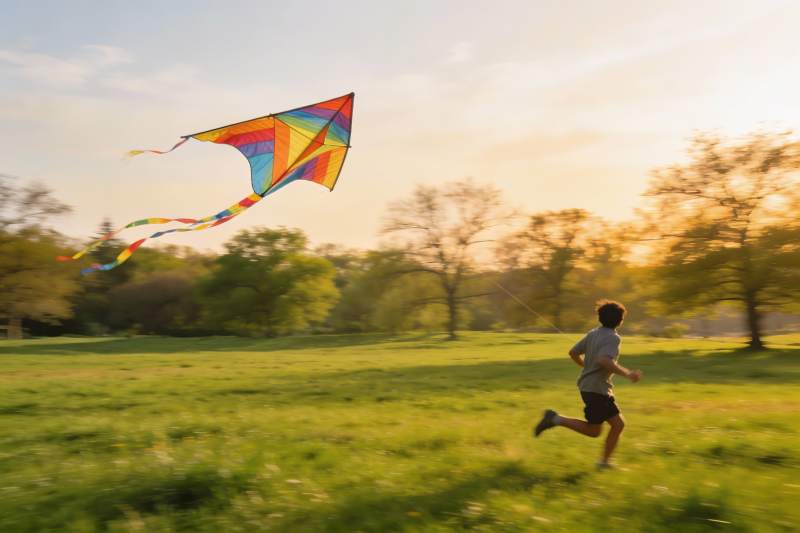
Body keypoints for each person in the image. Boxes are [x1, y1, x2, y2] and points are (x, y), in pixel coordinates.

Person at [533, 300, 642, 469]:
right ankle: (555, 419)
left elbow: (573, 352)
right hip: (596, 390)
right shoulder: (613, 338)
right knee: (599, 429)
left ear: (600, 318)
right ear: (621, 320)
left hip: (592, 387)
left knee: (611, 426)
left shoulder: (593, 333)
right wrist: (628, 373)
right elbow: (603, 360)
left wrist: (586, 366)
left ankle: (603, 462)